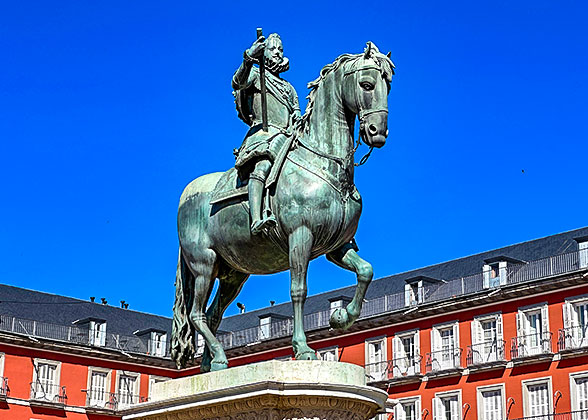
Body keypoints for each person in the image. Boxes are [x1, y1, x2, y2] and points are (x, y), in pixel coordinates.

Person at [232, 33, 301, 235]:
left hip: (287, 138)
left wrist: (297, 117)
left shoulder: (289, 88)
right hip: (264, 135)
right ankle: (256, 219)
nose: (278, 52)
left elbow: (296, 112)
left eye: (281, 49)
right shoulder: (255, 74)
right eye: (273, 49)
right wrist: (248, 58)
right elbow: (238, 83)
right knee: (263, 167)